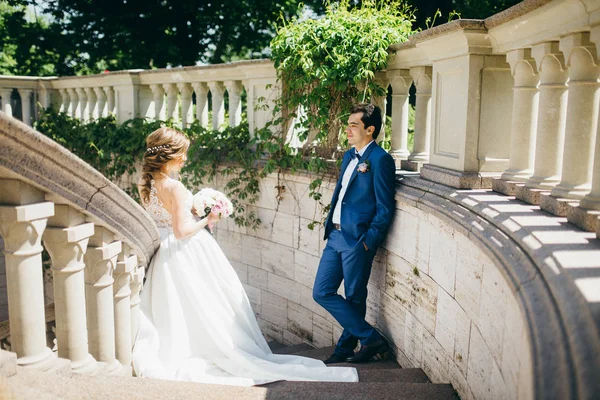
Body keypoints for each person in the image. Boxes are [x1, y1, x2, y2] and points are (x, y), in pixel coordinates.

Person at [132, 127, 358, 386]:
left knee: (177, 307)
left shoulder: (145, 183)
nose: (185, 158)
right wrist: (208, 217)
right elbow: (181, 231)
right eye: (182, 153)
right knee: (208, 305)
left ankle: (184, 348)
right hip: (187, 252)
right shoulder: (175, 187)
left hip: (163, 254)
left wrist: (193, 208)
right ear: (169, 154)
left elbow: (163, 221)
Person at [313, 103, 396, 364]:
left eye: (353, 125)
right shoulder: (349, 157)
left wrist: (368, 242)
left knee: (355, 296)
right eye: (347, 124)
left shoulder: (381, 160)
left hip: (357, 241)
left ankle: (344, 349)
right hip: (335, 236)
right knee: (321, 291)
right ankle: (369, 337)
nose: (347, 129)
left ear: (370, 129)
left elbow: (384, 208)